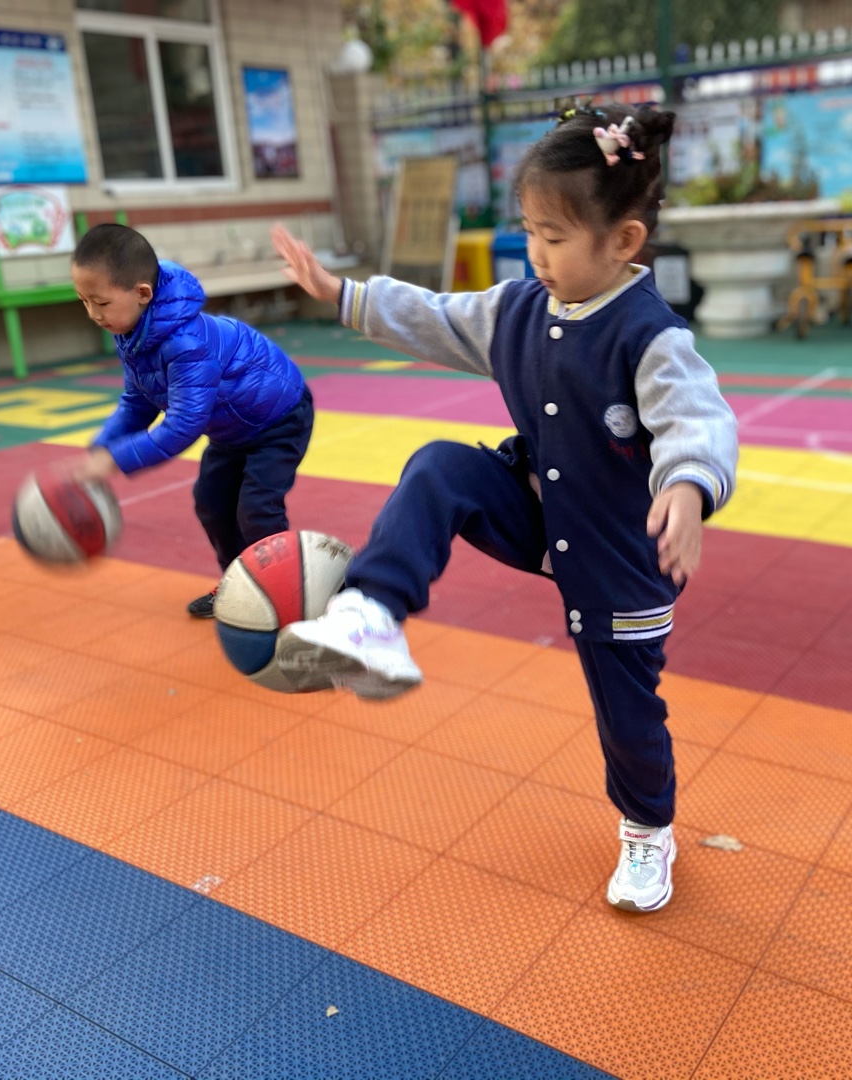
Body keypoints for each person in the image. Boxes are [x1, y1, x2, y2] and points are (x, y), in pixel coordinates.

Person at [270, 104, 738, 913]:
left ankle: (647, 830)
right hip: (538, 512)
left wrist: (687, 489)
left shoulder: (651, 337)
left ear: (623, 241)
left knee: (627, 717)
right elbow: (433, 315)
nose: (537, 254)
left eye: (555, 237)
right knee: (440, 467)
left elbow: (697, 421)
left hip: (624, 556)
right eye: (529, 232)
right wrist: (342, 294)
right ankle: (371, 613)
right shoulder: (517, 309)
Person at [69, 224, 313, 616]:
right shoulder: (133, 334)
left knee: (257, 509)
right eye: (84, 301)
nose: (93, 314)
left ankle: (286, 596)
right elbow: (137, 403)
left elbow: (183, 425)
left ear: (142, 293)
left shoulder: (186, 344)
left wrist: (115, 459)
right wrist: (100, 450)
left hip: (278, 417)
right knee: (211, 502)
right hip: (232, 429)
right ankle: (241, 585)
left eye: (101, 302)